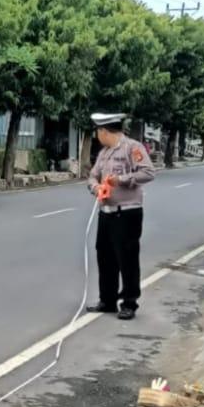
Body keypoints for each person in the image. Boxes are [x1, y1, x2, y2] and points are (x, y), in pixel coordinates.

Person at [86, 112, 155, 320]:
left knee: (127, 258)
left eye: (99, 131)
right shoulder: (104, 153)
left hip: (127, 212)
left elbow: (148, 172)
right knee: (105, 256)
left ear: (105, 131)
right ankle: (107, 300)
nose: (98, 135)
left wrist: (122, 179)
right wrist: (96, 187)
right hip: (106, 212)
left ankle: (129, 302)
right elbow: (92, 176)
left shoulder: (132, 148)